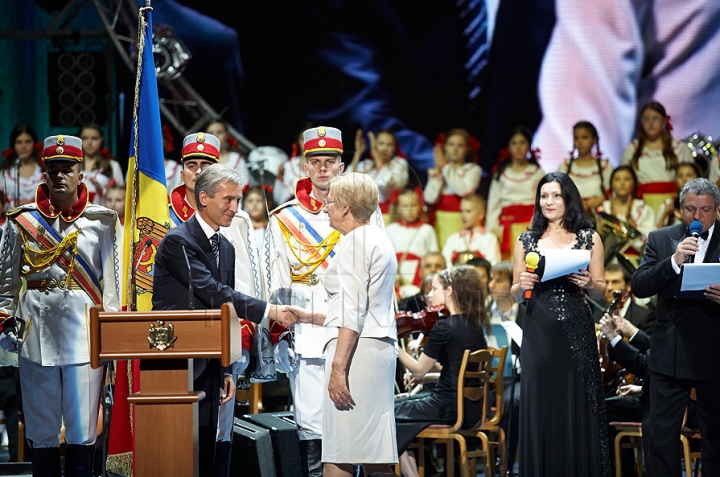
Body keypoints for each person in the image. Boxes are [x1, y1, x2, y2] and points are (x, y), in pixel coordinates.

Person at [153, 163, 297, 477]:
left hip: (210, 363)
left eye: (237, 200)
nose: (235, 208)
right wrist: (269, 311)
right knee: (178, 452)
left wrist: (228, 367)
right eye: (227, 200)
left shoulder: (227, 248)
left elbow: (224, 314)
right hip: (175, 362)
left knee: (210, 446)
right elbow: (213, 292)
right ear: (203, 198)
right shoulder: (178, 242)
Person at [0, 134, 122, 476]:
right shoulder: (21, 221)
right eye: (52, 168)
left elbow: (111, 288)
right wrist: (5, 320)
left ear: (81, 173)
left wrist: (111, 336)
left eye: (67, 168)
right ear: (44, 172)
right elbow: (6, 282)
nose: (59, 175)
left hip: (85, 338)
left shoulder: (103, 221)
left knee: (83, 431)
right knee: (42, 433)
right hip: (35, 337)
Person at [288, 172, 399, 477]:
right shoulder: (378, 237)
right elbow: (361, 308)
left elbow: (352, 312)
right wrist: (308, 316)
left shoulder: (355, 242)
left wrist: (338, 370)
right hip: (376, 348)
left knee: (340, 452)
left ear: (348, 206)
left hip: (356, 356)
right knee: (374, 452)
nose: (325, 208)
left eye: (331, 202)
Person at [511, 171, 610, 477]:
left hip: (576, 331)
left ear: (568, 198)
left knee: (576, 402)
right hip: (538, 330)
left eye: (556, 195)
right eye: (544, 196)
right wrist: (523, 284)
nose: (549, 202)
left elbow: (601, 289)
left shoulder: (588, 237)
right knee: (542, 405)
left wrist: (589, 281)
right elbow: (516, 293)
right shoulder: (525, 239)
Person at [265, 126, 346, 477]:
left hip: (350, 321)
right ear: (305, 166)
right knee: (311, 420)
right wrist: (281, 332)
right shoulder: (284, 218)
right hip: (307, 330)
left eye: (331, 161)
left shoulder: (363, 211)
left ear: (342, 165)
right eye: (316, 161)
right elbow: (278, 281)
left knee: (350, 417)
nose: (323, 168)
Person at [631, 177, 720, 476]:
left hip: (715, 352)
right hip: (671, 352)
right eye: (690, 209)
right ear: (680, 209)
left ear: (717, 209)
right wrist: (672, 261)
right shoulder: (661, 238)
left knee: (716, 440)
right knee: (660, 438)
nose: (697, 217)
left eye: (705, 209)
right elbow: (640, 285)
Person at [394, 266, 489, 477]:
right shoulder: (473, 325)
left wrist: (393, 344)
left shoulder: (444, 326)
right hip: (471, 408)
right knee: (398, 408)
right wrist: (428, 375)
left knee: (386, 413)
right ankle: (427, 471)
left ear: (449, 290)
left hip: (447, 407)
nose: (429, 295)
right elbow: (456, 371)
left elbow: (418, 370)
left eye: (434, 288)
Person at [621, 101, 694, 216]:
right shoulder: (632, 150)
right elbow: (623, 178)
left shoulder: (679, 148)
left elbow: (691, 180)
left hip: (673, 205)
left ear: (664, 121)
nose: (650, 123)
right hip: (641, 207)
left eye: (655, 118)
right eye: (646, 119)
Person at [486, 127, 545, 259]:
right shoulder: (502, 174)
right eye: (514, 143)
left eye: (522, 142)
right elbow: (493, 204)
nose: (518, 147)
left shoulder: (537, 172)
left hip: (530, 225)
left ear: (529, 146)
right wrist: (493, 229)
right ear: (508, 147)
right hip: (506, 228)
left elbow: (542, 203)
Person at [423, 128, 482, 248]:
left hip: (462, 220)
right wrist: (438, 172)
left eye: (460, 145)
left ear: (467, 149)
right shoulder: (440, 170)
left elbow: (463, 190)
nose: (455, 149)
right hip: (440, 221)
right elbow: (430, 198)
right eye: (451, 145)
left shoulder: (473, 169)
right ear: (444, 147)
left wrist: (445, 167)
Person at [386, 188, 439, 298]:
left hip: (419, 275)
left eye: (413, 206)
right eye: (405, 206)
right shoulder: (391, 229)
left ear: (420, 207)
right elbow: (386, 256)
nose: (409, 210)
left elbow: (434, 254)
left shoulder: (427, 230)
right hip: (397, 274)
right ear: (398, 208)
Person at [350, 128, 409, 224]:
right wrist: (358, 153)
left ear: (395, 147)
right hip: (363, 216)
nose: (384, 148)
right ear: (375, 144)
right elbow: (347, 183)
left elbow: (386, 185)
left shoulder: (399, 164)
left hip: (387, 216)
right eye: (381, 144)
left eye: (389, 144)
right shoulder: (366, 164)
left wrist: (377, 157)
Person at [596, 166, 655, 255]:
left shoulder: (644, 210)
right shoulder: (603, 210)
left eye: (627, 179)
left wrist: (632, 228)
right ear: (611, 184)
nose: (622, 183)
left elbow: (649, 242)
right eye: (617, 179)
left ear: (634, 183)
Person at [557, 121, 612, 214]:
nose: (580, 141)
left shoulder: (605, 166)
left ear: (594, 139)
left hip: (600, 218)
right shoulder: (565, 166)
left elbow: (615, 191)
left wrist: (602, 198)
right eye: (576, 138)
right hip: (571, 218)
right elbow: (557, 192)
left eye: (584, 137)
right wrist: (575, 201)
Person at [168, 133, 220, 226]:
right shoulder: (165, 216)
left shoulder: (234, 218)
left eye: (205, 166)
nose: (198, 171)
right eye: (191, 166)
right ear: (182, 175)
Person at [592, 263, 655, 336]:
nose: (609, 288)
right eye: (606, 282)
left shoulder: (645, 316)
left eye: (615, 282)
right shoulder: (596, 317)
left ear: (628, 286)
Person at [442, 194, 501, 266]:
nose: (463, 215)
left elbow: (493, 264)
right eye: (461, 211)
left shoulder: (489, 239)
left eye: (468, 211)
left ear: (481, 214)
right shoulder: (453, 239)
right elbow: (445, 264)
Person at [77, 123, 125, 204]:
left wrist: (101, 190)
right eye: (85, 138)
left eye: (94, 138)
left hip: (104, 213)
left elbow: (121, 195)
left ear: (101, 140)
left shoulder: (113, 165)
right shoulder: (73, 165)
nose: (89, 142)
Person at [0, 124, 44, 209]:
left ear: (35, 144)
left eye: (28, 141)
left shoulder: (43, 171)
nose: (24, 146)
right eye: (19, 142)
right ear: (13, 145)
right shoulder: (4, 173)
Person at [204, 118, 251, 190]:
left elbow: (246, 187)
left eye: (219, 132)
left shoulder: (237, 159)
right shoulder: (201, 160)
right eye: (211, 133)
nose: (215, 136)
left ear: (227, 135)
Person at [656, 162, 701, 228]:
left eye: (688, 175)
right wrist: (665, 214)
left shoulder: (705, 203)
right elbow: (657, 234)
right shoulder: (667, 204)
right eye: (680, 176)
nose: (684, 179)